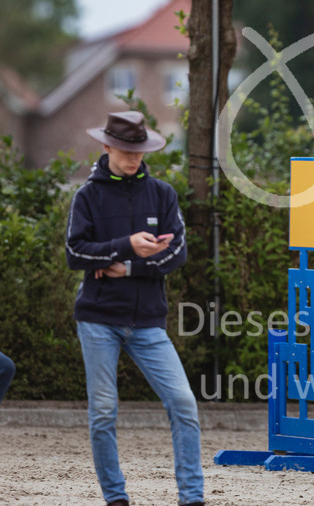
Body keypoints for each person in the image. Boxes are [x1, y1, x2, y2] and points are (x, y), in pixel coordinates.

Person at [66, 111, 203, 506]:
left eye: (138, 151)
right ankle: (116, 498)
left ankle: (192, 497)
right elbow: (75, 253)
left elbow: (177, 253)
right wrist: (127, 243)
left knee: (183, 402)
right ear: (107, 146)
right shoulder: (87, 197)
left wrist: (124, 266)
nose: (133, 158)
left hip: (148, 322)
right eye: (125, 150)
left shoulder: (162, 194)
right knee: (104, 412)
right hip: (97, 319)